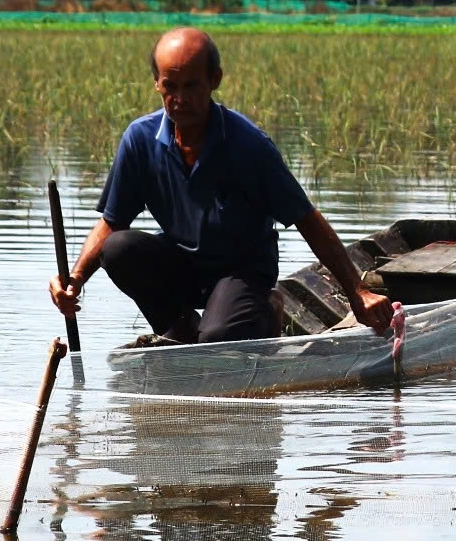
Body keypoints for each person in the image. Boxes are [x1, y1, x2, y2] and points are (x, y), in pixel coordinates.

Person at [49, 27, 397, 347]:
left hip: (241, 271)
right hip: (182, 266)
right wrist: (75, 280)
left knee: (217, 338)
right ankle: (178, 329)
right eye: (170, 86)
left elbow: (305, 218)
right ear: (156, 83)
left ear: (214, 80)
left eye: (191, 86)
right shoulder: (140, 140)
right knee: (119, 248)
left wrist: (358, 291)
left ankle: (269, 306)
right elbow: (113, 221)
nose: (179, 99)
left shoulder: (248, 145)